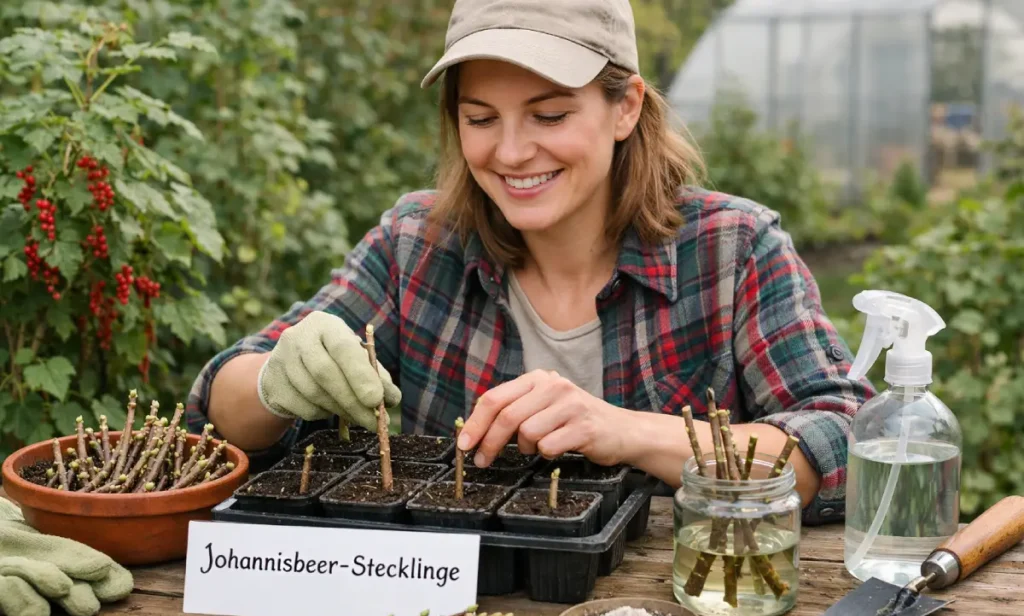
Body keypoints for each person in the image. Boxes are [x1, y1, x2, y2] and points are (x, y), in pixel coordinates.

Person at [186, 0, 875, 525]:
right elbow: (219, 409)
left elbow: (842, 441)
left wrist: (622, 429)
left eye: (548, 116)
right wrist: (275, 380)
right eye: (481, 118)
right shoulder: (418, 246)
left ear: (625, 107)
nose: (511, 153)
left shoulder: (732, 251)